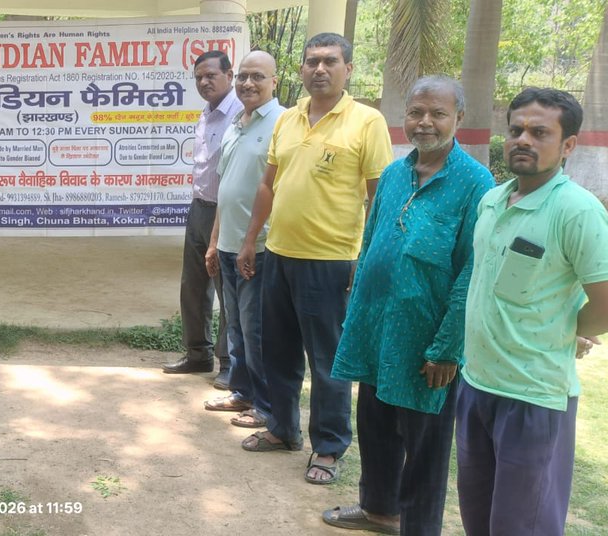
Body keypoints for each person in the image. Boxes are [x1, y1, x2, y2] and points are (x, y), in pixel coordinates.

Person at [321, 75, 493, 535]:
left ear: (459, 118)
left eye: (437, 114)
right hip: (377, 329)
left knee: (425, 447)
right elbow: (373, 235)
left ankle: (418, 527)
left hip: (425, 342)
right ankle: (379, 509)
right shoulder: (396, 172)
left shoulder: (476, 183)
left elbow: (471, 272)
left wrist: (447, 349)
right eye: (416, 112)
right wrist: (357, 304)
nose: (425, 123)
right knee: (375, 427)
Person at [235, 32, 393, 485]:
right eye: (311, 62)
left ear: (348, 70)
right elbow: (268, 184)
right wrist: (251, 240)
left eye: (329, 61)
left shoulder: (366, 122)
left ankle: (328, 446)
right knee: (277, 352)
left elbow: (378, 195)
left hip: (331, 261)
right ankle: (282, 429)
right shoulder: (288, 119)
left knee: (327, 361)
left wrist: (365, 256)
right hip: (279, 254)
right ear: (301, 70)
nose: (319, 69)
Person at [456, 87, 608, 536]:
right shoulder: (493, 200)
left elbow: (605, 302)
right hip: (477, 384)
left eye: (539, 132)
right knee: (478, 518)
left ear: (567, 146)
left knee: (523, 526)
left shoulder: (576, 211)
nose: (523, 139)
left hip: (534, 397)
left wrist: (567, 329)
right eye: (517, 129)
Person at [202, 50, 285, 430]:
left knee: (256, 330)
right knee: (235, 324)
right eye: (243, 77)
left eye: (258, 77)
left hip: (261, 248)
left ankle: (266, 406)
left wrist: (252, 240)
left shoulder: (283, 123)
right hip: (229, 243)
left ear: (274, 82)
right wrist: (215, 240)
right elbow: (226, 187)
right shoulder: (238, 122)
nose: (248, 84)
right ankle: (242, 391)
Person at [162, 49, 242, 390]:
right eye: (198, 78)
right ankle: (197, 354)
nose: (204, 82)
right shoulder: (206, 114)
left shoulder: (240, 114)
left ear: (229, 75)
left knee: (227, 288)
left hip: (227, 213)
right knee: (192, 285)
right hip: (199, 208)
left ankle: (228, 362)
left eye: (211, 75)